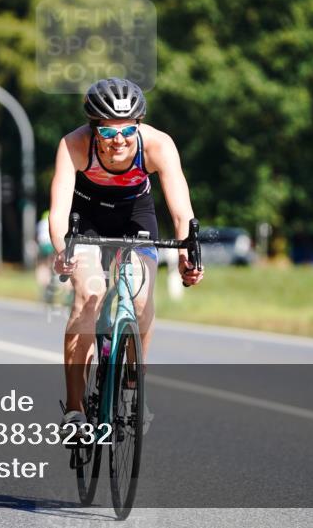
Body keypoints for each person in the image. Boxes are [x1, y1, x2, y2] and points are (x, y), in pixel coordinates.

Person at [48, 78, 204, 430]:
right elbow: (58, 211)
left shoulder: (158, 145)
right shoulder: (74, 144)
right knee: (90, 295)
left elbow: (181, 210)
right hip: (86, 217)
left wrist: (187, 255)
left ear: (139, 125)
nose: (118, 140)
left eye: (127, 130)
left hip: (135, 215)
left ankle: (134, 385)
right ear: (94, 129)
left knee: (139, 293)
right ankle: (75, 410)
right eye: (107, 133)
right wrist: (63, 251)